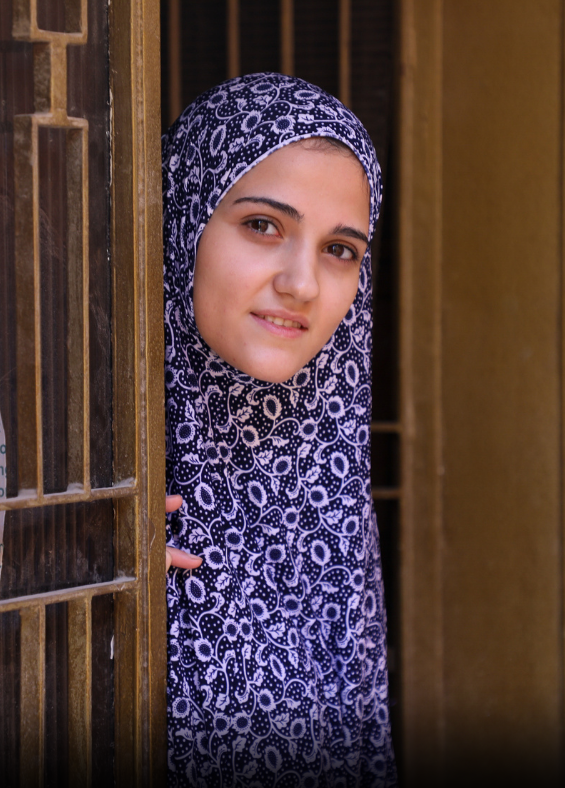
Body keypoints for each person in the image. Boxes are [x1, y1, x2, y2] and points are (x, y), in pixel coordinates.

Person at [162, 72, 395, 788]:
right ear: (184, 225)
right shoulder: (74, 467)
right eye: (264, 226)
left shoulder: (326, 494)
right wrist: (82, 565)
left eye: (340, 249)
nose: (302, 284)